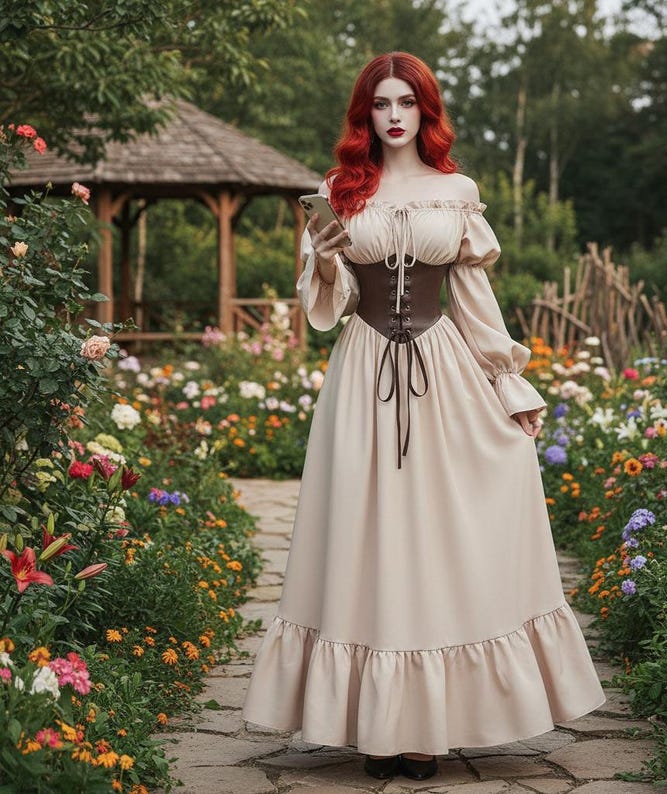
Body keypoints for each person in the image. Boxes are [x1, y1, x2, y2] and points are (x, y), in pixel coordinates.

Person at [242, 51, 605, 781]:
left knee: (442, 543)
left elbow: (473, 302)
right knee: (368, 539)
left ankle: (426, 730)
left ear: (426, 110)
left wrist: (512, 387)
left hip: (446, 377)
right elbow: (329, 307)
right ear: (365, 114)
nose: (396, 114)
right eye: (382, 103)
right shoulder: (337, 191)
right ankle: (378, 727)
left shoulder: (457, 191)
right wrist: (321, 254)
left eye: (408, 101)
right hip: (363, 374)